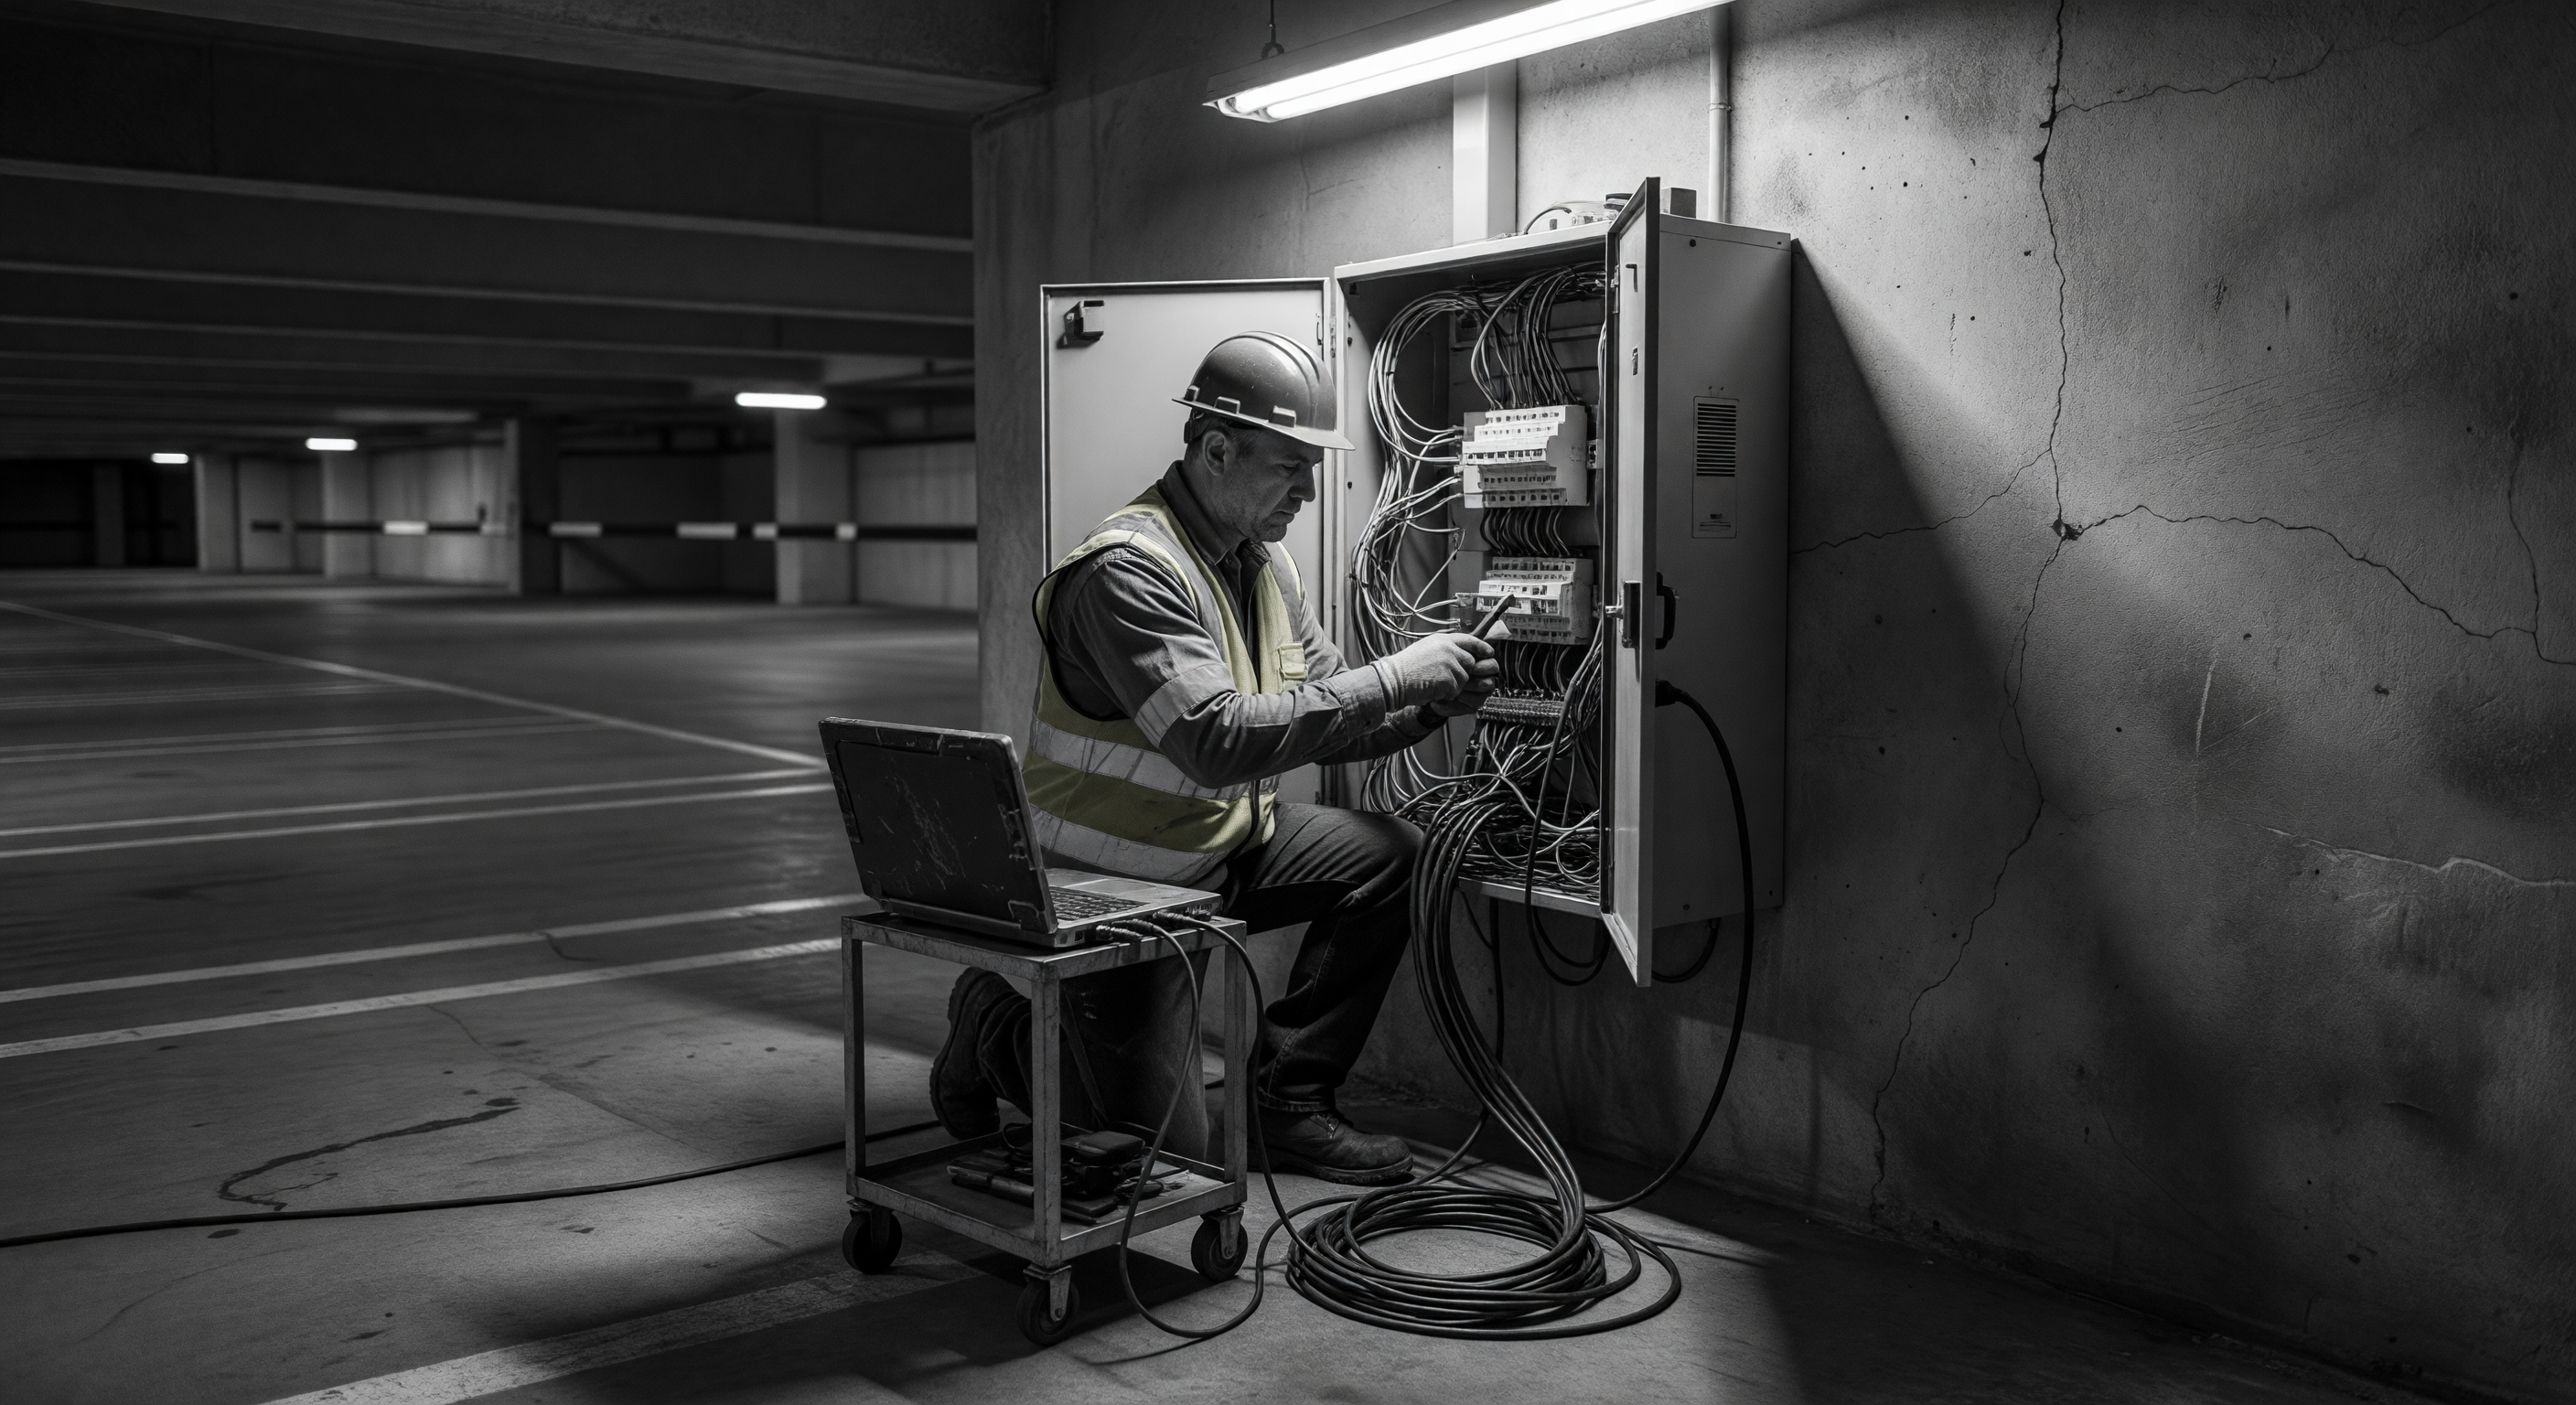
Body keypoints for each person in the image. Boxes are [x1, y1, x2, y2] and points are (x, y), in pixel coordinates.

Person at [930, 331, 1499, 1185]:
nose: (1309, 491)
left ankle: (1288, 1101)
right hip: (1112, 883)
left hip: (1225, 844)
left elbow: (1329, 712)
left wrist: (1422, 704)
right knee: (1161, 1153)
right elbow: (1214, 741)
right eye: (1289, 467)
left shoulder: (1263, 566)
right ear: (1215, 450)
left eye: (1312, 468)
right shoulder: (1128, 573)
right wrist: (1393, 676)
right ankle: (991, 1024)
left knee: (1392, 858)